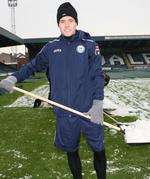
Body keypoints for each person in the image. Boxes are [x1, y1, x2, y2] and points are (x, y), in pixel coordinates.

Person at [0, 2, 106, 178]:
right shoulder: (50, 48)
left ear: (76, 22)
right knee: (71, 151)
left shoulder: (89, 45)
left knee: (99, 149)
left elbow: (97, 75)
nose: (66, 24)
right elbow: (31, 66)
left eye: (70, 20)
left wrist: (98, 103)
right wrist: (14, 77)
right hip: (65, 113)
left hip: (89, 110)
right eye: (62, 21)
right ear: (58, 24)